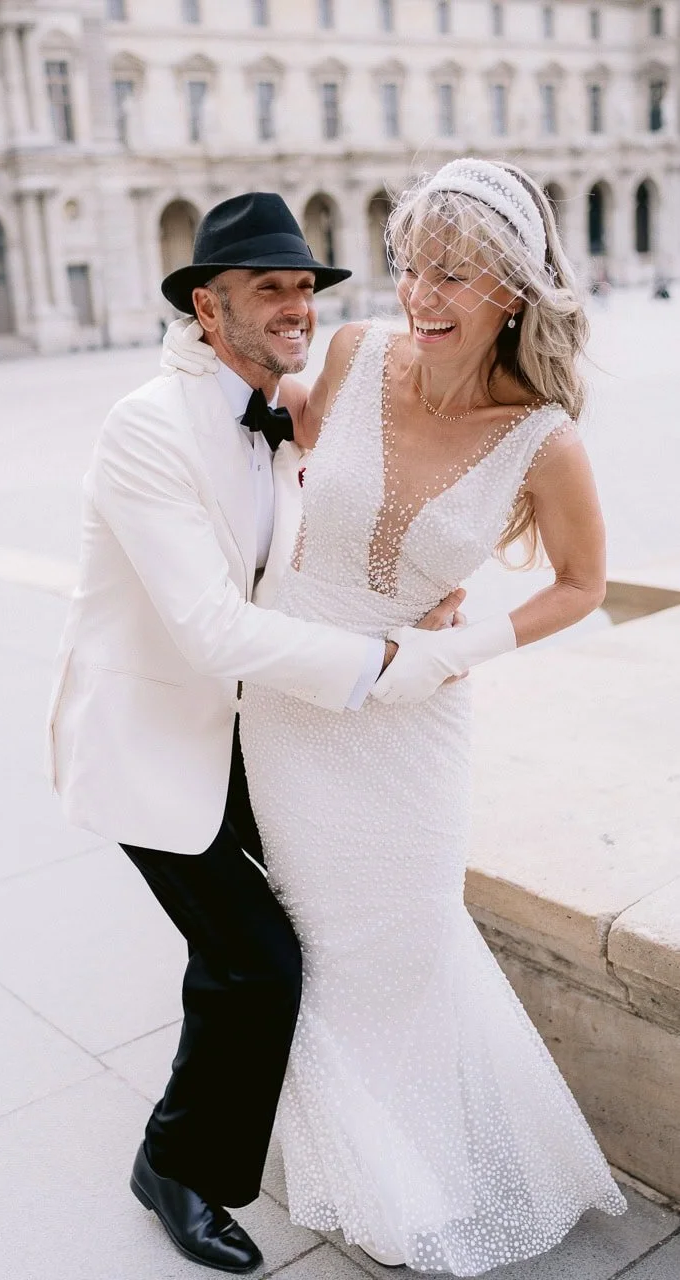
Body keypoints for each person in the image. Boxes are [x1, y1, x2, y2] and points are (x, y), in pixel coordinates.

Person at [165, 158, 628, 1275]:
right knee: (327, 939)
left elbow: (581, 584)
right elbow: (293, 460)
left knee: (413, 932)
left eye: (453, 275)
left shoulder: (543, 438)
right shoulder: (354, 350)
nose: (419, 294)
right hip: (295, 694)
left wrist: (449, 644)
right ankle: (372, 1167)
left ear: (511, 289)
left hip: (418, 722)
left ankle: (431, 1153)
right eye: (413, 265)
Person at [46, 191, 462, 1274]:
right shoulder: (147, 424)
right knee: (254, 964)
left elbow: (323, 552)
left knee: (286, 938)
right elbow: (207, 624)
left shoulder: (278, 406)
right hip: (149, 742)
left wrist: (423, 598)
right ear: (203, 305)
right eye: (266, 290)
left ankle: (323, 1129)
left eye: (301, 288)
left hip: (254, 735)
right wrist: (377, 667)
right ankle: (175, 1164)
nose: (293, 307)